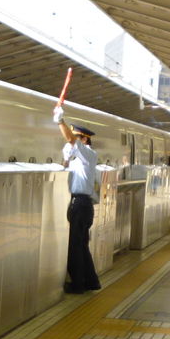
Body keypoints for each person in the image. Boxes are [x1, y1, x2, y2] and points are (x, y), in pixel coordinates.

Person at [55, 109, 101, 293]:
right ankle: (91, 281)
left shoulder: (89, 154)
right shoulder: (78, 159)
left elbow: (69, 140)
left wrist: (60, 121)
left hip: (81, 205)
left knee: (74, 246)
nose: (71, 142)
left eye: (76, 139)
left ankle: (78, 285)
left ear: (84, 139)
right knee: (81, 245)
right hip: (81, 205)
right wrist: (66, 161)